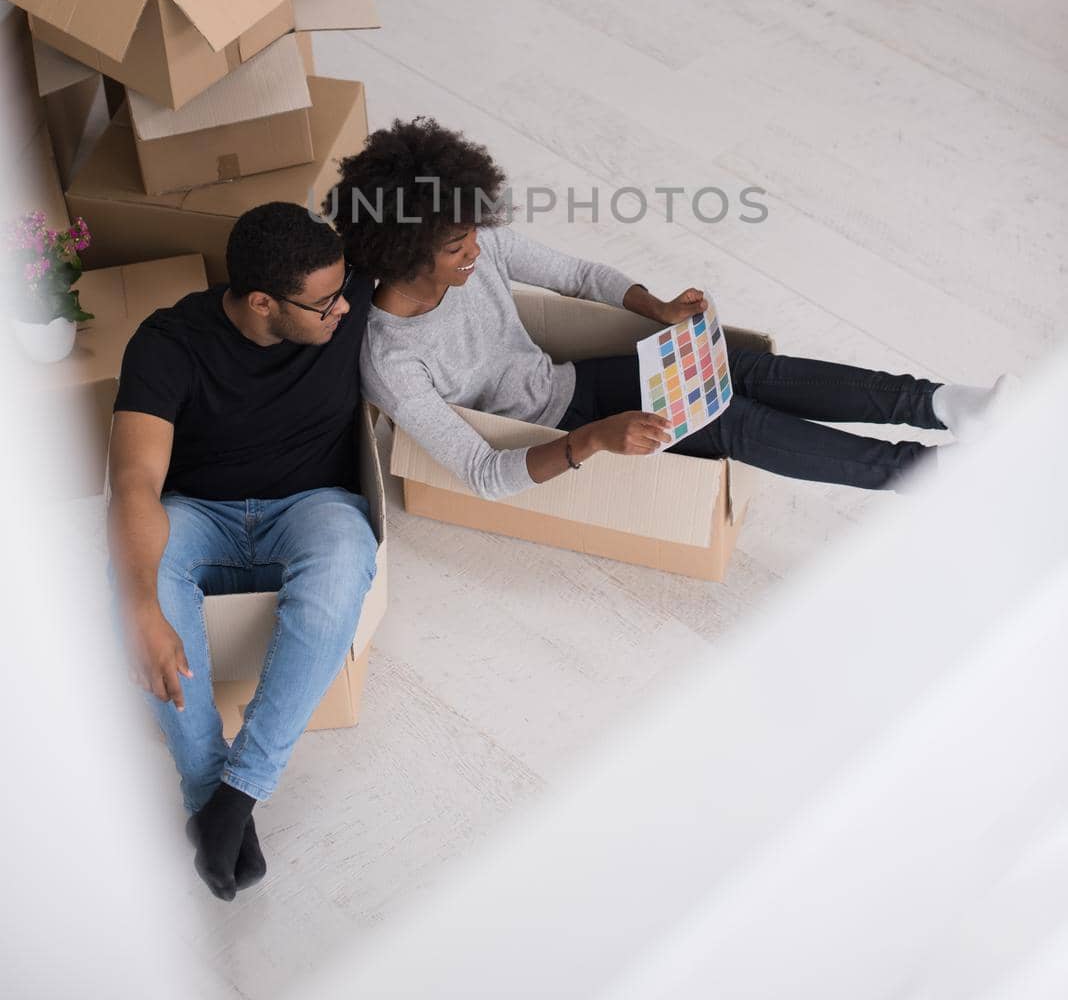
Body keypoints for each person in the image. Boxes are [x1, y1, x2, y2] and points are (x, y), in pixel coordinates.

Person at [331, 118, 1016, 502]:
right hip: (551, 438)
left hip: (574, 383)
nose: (476, 248)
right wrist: (594, 440)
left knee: (737, 369)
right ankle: (918, 475)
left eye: (474, 230)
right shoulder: (392, 360)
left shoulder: (475, 245)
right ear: (401, 253)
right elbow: (484, 474)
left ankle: (946, 404)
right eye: (457, 244)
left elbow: (576, 273)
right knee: (733, 422)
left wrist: (653, 306)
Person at [107, 202, 377, 901]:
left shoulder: (343, 296)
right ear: (263, 302)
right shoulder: (167, 342)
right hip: (199, 514)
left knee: (349, 552)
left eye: (343, 290)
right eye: (324, 304)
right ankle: (208, 789)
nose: (345, 309)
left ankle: (234, 796)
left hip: (311, 505)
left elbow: (446, 229)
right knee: (135, 574)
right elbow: (134, 481)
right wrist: (140, 609)